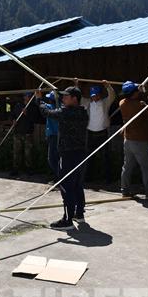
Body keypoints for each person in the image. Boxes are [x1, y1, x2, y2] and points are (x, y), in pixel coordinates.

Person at [38, 87, 89, 230]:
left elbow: (46, 112)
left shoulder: (66, 113)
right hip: (81, 154)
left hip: (68, 154)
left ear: (75, 98)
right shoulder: (83, 112)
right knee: (77, 184)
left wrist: (39, 99)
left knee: (66, 186)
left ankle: (67, 220)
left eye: (66, 97)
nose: (63, 99)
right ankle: (79, 214)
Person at [119, 81, 148, 200]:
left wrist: (140, 89)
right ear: (134, 93)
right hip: (140, 141)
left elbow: (136, 97)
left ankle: (124, 190)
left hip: (128, 140)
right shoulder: (140, 105)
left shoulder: (122, 103)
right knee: (146, 167)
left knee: (127, 166)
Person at [78, 79, 115, 184]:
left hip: (102, 132)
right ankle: (88, 177)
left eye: (96, 95)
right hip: (90, 132)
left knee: (105, 156)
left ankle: (108, 178)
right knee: (89, 156)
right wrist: (77, 85)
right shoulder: (87, 103)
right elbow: (78, 98)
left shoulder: (105, 102)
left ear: (99, 95)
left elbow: (112, 96)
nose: (94, 97)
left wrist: (108, 86)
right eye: (93, 95)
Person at [10, 92, 39, 177]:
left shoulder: (33, 107)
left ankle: (29, 169)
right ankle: (15, 169)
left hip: (28, 133)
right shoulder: (18, 105)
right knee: (16, 152)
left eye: (29, 96)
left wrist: (27, 114)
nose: (27, 97)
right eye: (26, 96)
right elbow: (12, 115)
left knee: (28, 153)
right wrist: (13, 120)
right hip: (18, 132)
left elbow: (35, 118)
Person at [44, 91, 60, 180]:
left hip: (53, 136)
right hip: (57, 135)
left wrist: (38, 97)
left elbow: (40, 105)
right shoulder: (60, 108)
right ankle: (58, 176)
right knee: (57, 158)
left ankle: (59, 176)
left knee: (51, 159)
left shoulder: (49, 108)